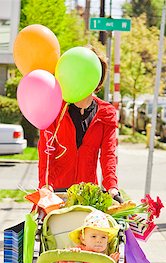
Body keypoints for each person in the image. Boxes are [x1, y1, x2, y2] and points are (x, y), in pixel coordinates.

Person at [38, 46, 119, 199]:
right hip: (55, 194)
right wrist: (46, 184)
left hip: (88, 195)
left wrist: (112, 187)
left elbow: (108, 155)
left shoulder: (106, 113)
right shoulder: (55, 109)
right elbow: (46, 152)